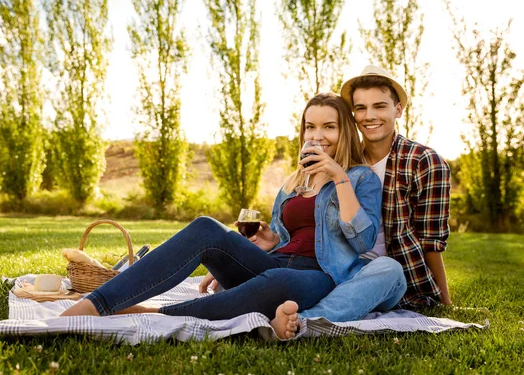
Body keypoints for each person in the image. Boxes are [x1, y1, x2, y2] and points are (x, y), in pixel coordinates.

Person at [61, 93, 384, 340]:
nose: (318, 135)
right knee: (206, 227)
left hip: (317, 276)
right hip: (274, 266)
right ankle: (97, 303)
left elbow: (362, 241)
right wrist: (267, 240)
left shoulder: (359, 178)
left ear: (345, 133)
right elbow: (281, 239)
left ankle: (154, 312)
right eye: (310, 127)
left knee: (279, 281)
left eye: (329, 127)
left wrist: (339, 177)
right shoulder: (295, 181)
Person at [298, 65, 451, 324]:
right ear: (352, 115)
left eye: (379, 106)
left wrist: (445, 302)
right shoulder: (339, 157)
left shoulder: (424, 161)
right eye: (360, 108)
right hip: (336, 269)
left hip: (389, 276)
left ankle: (305, 322)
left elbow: (431, 243)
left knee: (386, 271)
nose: (369, 116)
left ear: (398, 109)